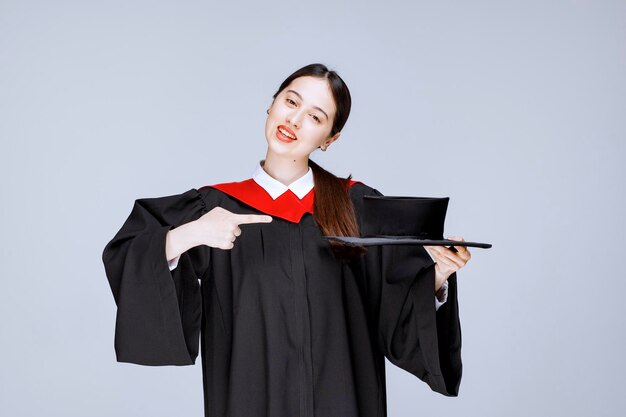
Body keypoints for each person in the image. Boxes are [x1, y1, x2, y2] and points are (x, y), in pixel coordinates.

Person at [102, 63, 472, 417]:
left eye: (315, 116)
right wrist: (189, 234)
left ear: (330, 139)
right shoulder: (216, 206)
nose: (294, 120)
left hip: (342, 401)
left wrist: (437, 276)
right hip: (248, 400)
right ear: (272, 103)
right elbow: (130, 255)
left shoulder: (358, 207)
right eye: (291, 102)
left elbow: (397, 318)